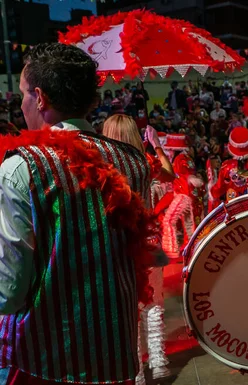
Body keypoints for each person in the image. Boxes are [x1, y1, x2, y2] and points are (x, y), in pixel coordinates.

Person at [0, 43, 157, 384]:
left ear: (40, 98)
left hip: (44, 362)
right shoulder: (134, 161)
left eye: (24, 95)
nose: (22, 104)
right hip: (116, 358)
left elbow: (9, 291)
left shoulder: (20, 167)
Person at [102, 116, 173, 384]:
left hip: (119, 243)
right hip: (150, 239)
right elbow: (170, 174)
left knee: (129, 307)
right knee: (154, 302)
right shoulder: (144, 162)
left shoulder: (104, 166)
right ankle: (159, 361)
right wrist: (155, 145)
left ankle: (137, 372)